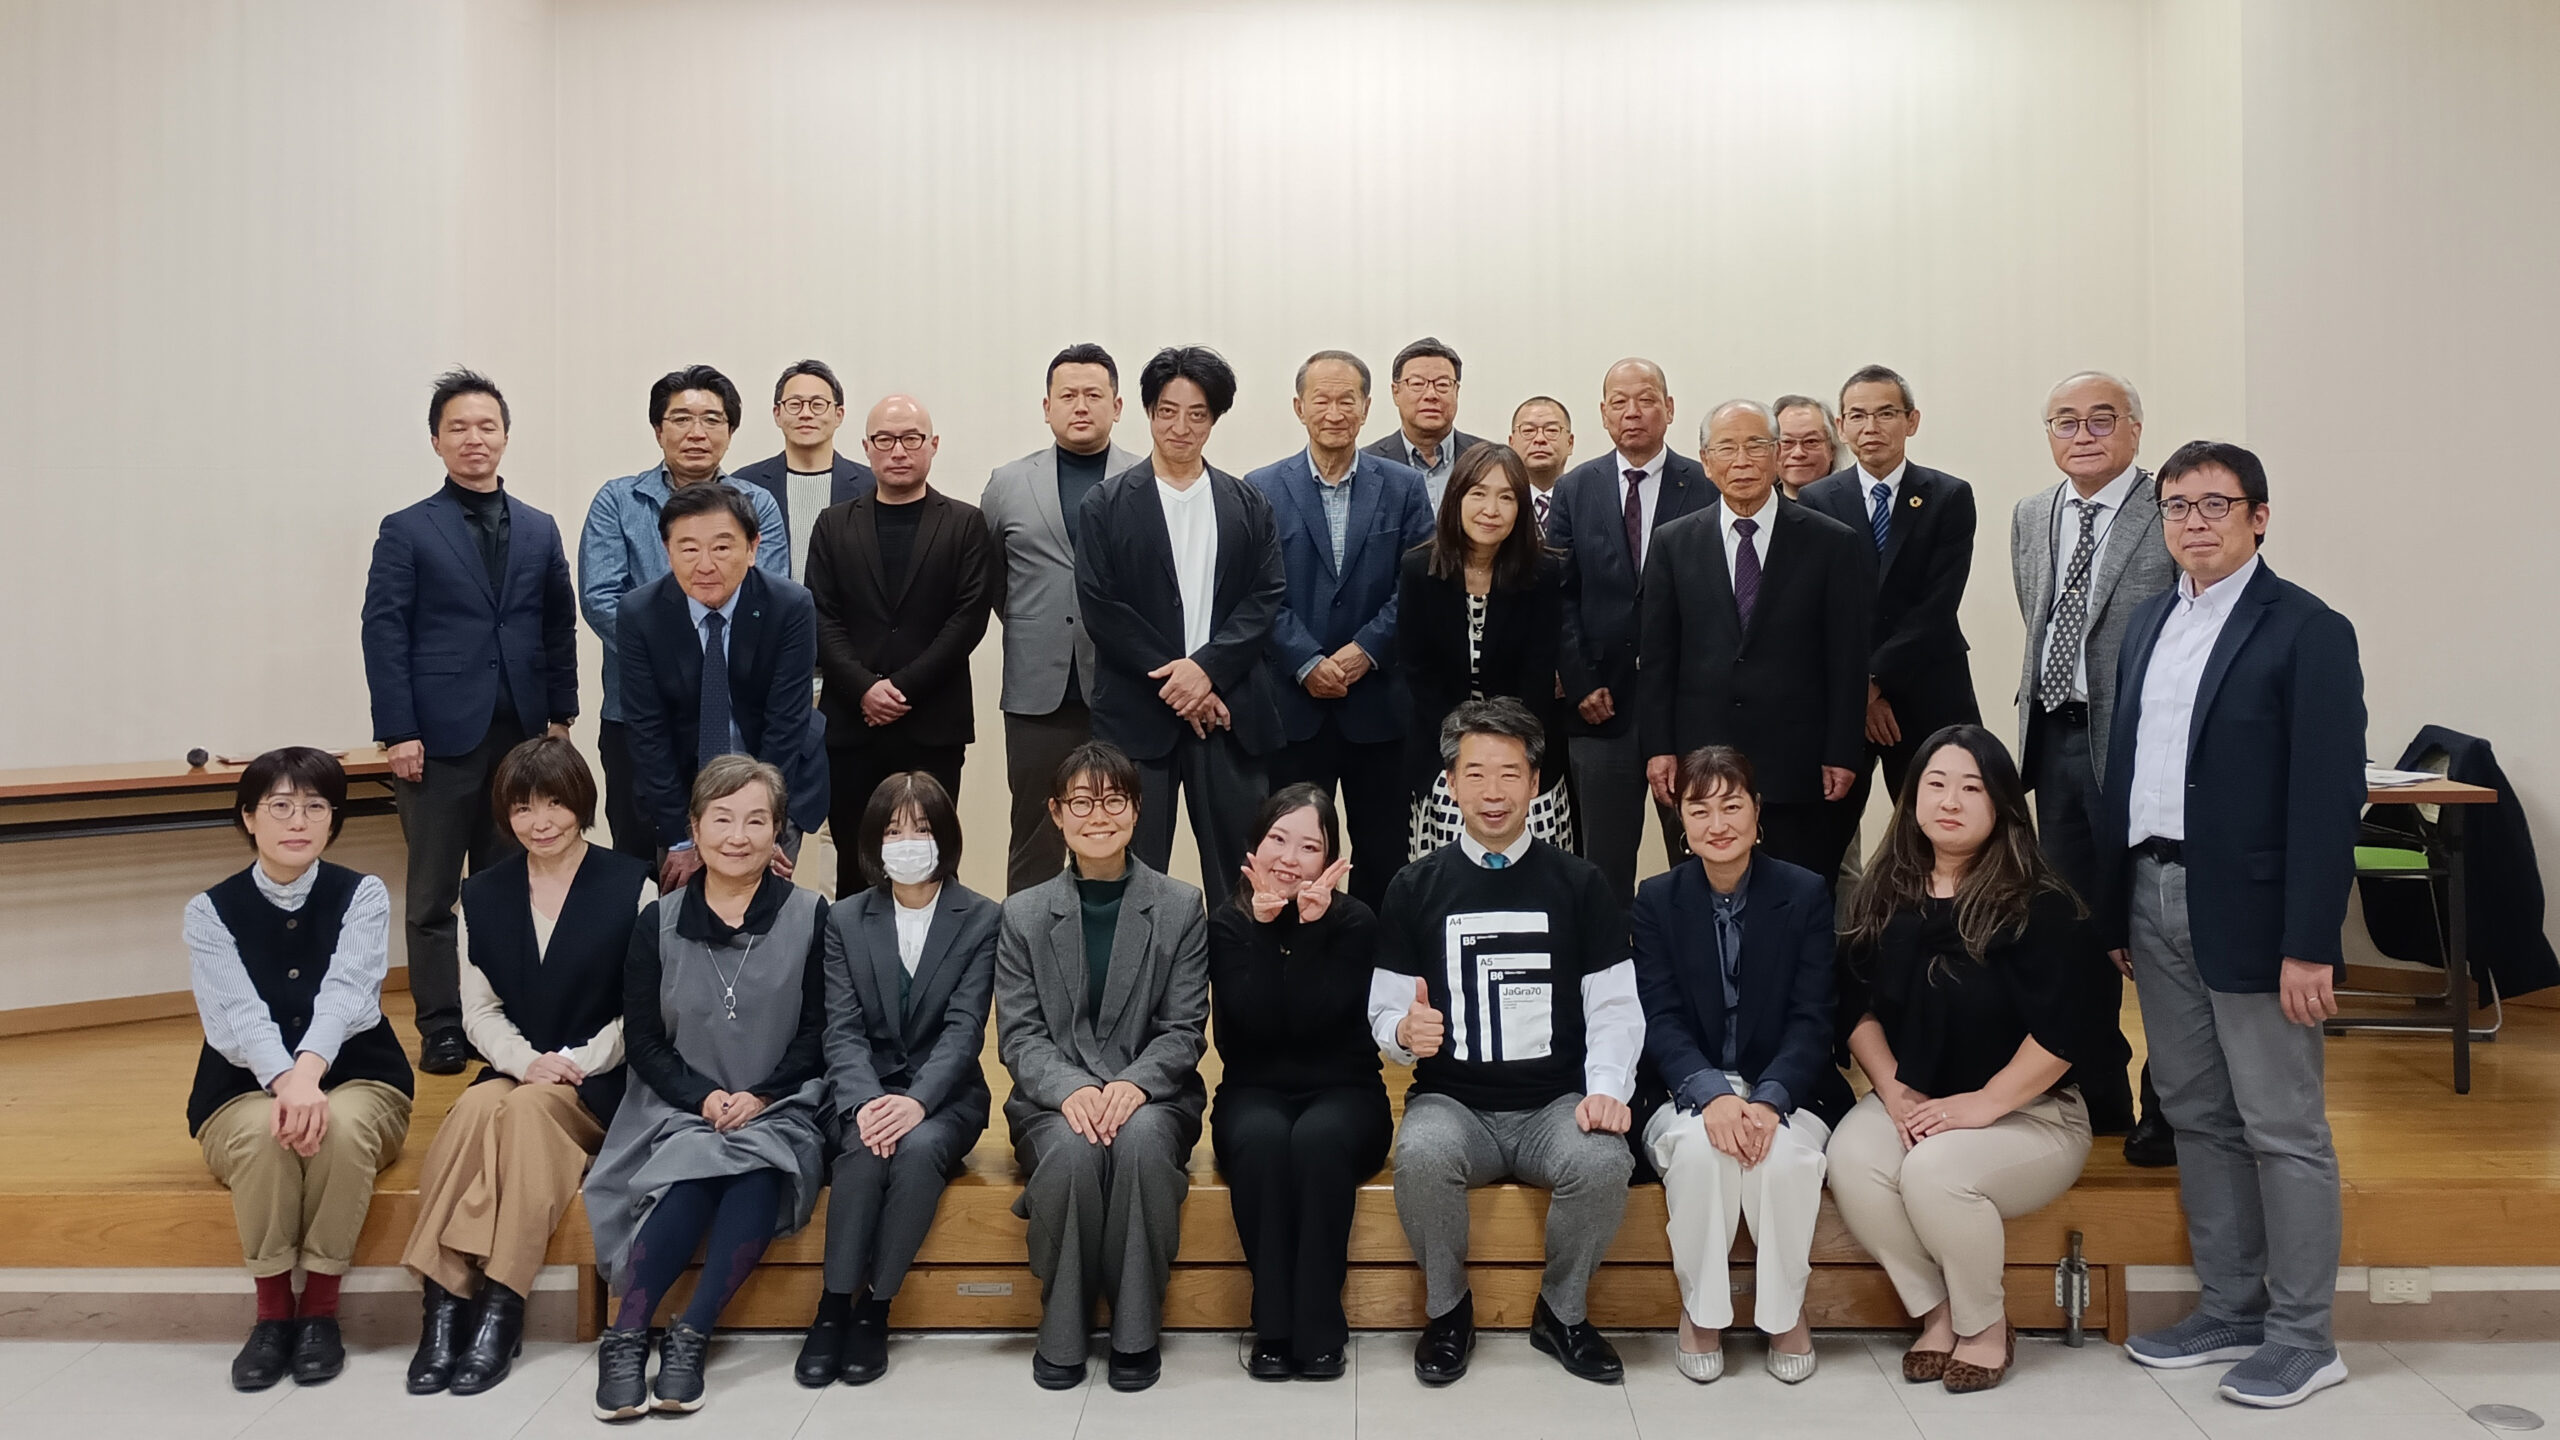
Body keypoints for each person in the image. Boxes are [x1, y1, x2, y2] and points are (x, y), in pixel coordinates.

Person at [2098, 441, 2366, 1409]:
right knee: (2197, 1116)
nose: (2193, 522)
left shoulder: (2307, 630)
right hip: (2153, 895)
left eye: (2215, 504)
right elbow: (2125, 769)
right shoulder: (2148, 622)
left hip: (2256, 914)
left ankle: (2303, 1336)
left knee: (2280, 1126)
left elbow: (2328, 798)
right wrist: (2116, 907)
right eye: (2176, 506)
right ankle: (2231, 1307)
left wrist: (2310, 942)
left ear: (2259, 517)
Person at [1827, 726, 2109, 1396]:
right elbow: (1855, 1007)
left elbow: (2067, 1029)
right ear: (1913, 796)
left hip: (2032, 1114)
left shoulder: (2040, 902)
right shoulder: (1885, 891)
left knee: (1934, 1171)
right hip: (1920, 1095)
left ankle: (1984, 1325)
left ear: (2002, 803)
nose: (1949, 801)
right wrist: (1892, 1090)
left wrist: (1982, 1105)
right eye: (1936, 784)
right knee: (1852, 1158)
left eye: (1971, 788)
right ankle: (1937, 1311)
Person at [1369, 698, 1641, 1386]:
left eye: (1510, 774)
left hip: (1554, 1104)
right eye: (1476, 774)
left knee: (1605, 1160)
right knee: (1421, 1154)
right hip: (1454, 1103)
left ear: (1535, 781)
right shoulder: (1414, 886)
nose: (1493, 792)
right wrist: (1403, 1032)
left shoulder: (1581, 884)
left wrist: (1607, 1089)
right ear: (1450, 784)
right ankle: (1447, 1311)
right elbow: (1387, 1009)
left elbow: (1614, 1006)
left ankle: (1562, 1312)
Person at [582, 756, 831, 1421]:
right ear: (694, 828)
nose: (737, 836)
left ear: (778, 832)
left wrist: (762, 1095)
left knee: (757, 1167)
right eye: (721, 819)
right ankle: (626, 1335)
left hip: (780, 1103)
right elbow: (644, 1040)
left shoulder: (811, 914)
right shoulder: (657, 922)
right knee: (693, 1169)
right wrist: (702, 1098)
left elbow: (819, 1029)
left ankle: (691, 1334)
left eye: (756, 821)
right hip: (676, 1106)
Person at [403, 736, 653, 1396]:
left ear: (581, 803)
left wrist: (567, 1064)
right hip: (518, 1072)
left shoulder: (633, 886)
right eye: (522, 808)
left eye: (554, 803)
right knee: (478, 1106)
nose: (540, 822)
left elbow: (642, 1013)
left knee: (523, 1110)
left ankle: (497, 1303)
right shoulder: (482, 894)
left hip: (599, 1082)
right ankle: (444, 1307)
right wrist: (523, 1061)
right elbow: (479, 1009)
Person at [362, 368, 579, 1075]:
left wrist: (560, 716)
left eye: (487, 426)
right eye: (458, 427)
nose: (473, 438)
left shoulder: (540, 528)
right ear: (436, 440)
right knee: (432, 894)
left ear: (506, 436)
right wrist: (398, 730)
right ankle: (442, 1026)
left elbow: (558, 625)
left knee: (508, 885)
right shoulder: (407, 529)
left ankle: (504, 1020)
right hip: (435, 740)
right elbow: (384, 631)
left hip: (521, 735)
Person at [184, 748, 414, 1392]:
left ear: (333, 818)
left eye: (316, 806)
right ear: (248, 817)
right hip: (239, 1089)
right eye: (280, 805)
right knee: (267, 1135)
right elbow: (237, 1015)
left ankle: (318, 1312)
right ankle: (271, 1316)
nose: (298, 820)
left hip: (363, 1078)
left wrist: (309, 1077)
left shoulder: (362, 894)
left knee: (339, 1125)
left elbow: (348, 994)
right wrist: (289, 1084)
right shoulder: (208, 911)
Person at [1631, 746, 1854, 1385]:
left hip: (1789, 1086)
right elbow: (1659, 1017)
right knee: (1702, 1156)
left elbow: (1814, 1017)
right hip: (1685, 1086)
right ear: (1681, 821)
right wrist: (1712, 1093)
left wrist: (1769, 1099)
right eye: (1699, 809)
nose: (1717, 823)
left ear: (1757, 812)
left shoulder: (1804, 893)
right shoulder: (1656, 899)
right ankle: (1702, 1313)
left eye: (1732, 806)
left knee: (1781, 1159)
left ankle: (1784, 1315)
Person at [996, 741, 1211, 1392]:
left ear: (1137, 810)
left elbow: (1183, 1029)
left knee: (1140, 1143)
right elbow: (1021, 1035)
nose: (1099, 816)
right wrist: (1070, 1090)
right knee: (1071, 1151)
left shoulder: (1180, 905)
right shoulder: (1024, 913)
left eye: (1114, 800)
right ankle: (1062, 1328)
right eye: (1082, 802)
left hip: (1154, 1095)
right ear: (1056, 813)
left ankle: (1136, 1331)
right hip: (1053, 1100)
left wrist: (1132, 1085)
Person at [2013, 371, 2176, 1154]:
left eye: (2101, 420)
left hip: (2140, 749)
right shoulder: (2031, 513)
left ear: (2135, 429)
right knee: (2073, 928)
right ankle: (2097, 1088)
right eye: (2065, 421)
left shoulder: (2166, 509)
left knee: (2149, 928)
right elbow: (2040, 619)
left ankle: (2167, 1104)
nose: (2083, 435)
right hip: (2054, 740)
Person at [797, 772, 1000, 1387]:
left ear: (946, 837)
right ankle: (832, 1307)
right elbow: (841, 1029)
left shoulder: (981, 917)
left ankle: (875, 1309)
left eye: (922, 828)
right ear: (873, 842)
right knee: (863, 1151)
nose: (908, 842)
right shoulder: (845, 918)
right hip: (862, 1090)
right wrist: (865, 1101)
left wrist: (916, 1103)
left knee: (915, 1151)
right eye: (893, 830)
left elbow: (964, 1030)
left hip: (945, 1098)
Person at [1075, 345, 1285, 912]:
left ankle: (1241, 973)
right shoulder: (1106, 503)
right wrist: (1184, 683)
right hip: (1137, 717)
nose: (1180, 427)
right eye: (1167, 411)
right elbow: (1102, 607)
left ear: (1214, 419)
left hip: (1229, 715)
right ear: (1148, 412)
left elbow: (1264, 597)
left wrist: (1207, 672)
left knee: (1242, 875)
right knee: (1130, 874)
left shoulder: (1248, 503)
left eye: (1197, 414)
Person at [1639, 401, 1869, 880]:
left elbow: (1847, 662)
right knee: (1703, 895)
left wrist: (1842, 752)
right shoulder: (1672, 543)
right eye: (1726, 448)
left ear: (1777, 453)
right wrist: (1659, 748)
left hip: (1798, 763)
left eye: (1756, 446)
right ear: (1706, 461)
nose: (1741, 461)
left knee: (1799, 896)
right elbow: (1659, 658)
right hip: (1701, 762)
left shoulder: (1832, 542)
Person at [1209, 785, 1390, 1382]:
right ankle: (1274, 1327)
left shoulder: (1356, 921)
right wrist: (1266, 932)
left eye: (1309, 846)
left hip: (1345, 1090)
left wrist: (1309, 930)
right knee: (1262, 1141)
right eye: (1278, 840)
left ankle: (1318, 1330)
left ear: (1330, 858)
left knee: (1318, 1140)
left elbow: (1319, 1027)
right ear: (1254, 848)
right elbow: (1250, 1033)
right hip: (1253, 1089)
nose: (1290, 859)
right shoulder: (1229, 923)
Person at [1246, 350, 1434, 910]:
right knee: (1290, 855)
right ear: (1299, 407)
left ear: (1367, 407)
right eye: (1321, 400)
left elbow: (1419, 583)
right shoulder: (1261, 488)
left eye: (1346, 400)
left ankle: (1376, 960)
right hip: (1293, 709)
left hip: (1379, 707)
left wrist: (1364, 651)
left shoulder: (1404, 487)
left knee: (1383, 853)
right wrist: (1306, 660)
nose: (1334, 412)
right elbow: (1256, 590)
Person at [581, 366, 789, 859]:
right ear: (658, 430)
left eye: (712, 419)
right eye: (681, 418)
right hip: (637, 714)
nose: (697, 432)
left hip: (736, 713)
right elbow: (601, 598)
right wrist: (684, 659)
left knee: (737, 849)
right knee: (642, 857)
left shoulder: (758, 504)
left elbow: (768, 602)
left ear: (731, 431)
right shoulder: (618, 500)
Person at [806, 394, 999, 897]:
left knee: (933, 861)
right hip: (852, 725)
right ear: (866, 447)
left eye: (911, 439)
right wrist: (864, 689)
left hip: (933, 723)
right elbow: (821, 617)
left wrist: (902, 688)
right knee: (855, 862)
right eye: (886, 439)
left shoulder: (964, 523)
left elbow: (968, 620)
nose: (898, 450)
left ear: (932, 445)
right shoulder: (833, 524)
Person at [1548, 358, 1715, 900]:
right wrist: (1580, 680)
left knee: (1700, 854)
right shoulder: (1576, 488)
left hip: (1689, 708)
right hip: (1601, 708)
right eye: (1619, 402)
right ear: (1603, 413)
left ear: (1669, 408)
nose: (1632, 412)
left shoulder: (1705, 485)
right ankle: (1608, 957)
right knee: (1603, 865)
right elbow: (1558, 593)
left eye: (1646, 399)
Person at [983, 344, 1146, 894]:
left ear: (1117, 406)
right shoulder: (1007, 483)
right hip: (1036, 689)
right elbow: (994, 580)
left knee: (1127, 828)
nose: (1081, 405)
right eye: (1068, 395)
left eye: (1094, 395)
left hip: (1126, 685)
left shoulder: (1146, 478)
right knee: (1036, 832)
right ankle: (1026, 948)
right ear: (1046, 406)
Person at [617, 481, 830, 894]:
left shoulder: (790, 605)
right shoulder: (640, 613)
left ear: (752, 548)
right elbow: (648, 731)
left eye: (721, 547)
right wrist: (681, 838)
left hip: (775, 778)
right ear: (667, 551)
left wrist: (764, 824)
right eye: (688, 549)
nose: (705, 564)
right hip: (681, 790)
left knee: (763, 908)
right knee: (687, 912)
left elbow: (786, 724)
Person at [1799, 365, 1982, 805]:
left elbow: (1938, 605)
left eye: (1885, 414)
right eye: (1857, 416)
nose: (1871, 427)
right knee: (1825, 827)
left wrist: (1874, 680)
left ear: (1911, 421)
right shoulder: (1816, 500)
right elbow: (1817, 606)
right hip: (1844, 700)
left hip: (1928, 688)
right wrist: (1858, 692)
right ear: (1841, 426)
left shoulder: (1948, 496)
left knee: (1939, 821)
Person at [1399, 444, 1574, 858]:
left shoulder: (1542, 572)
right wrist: (1465, 753)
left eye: (1506, 497)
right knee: (1447, 875)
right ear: (1456, 497)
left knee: (1536, 872)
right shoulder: (1419, 569)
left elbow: (1537, 676)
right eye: (1478, 493)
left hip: (1523, 747)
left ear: (1521, 508)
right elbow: (1418, 672)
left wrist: (1503, 754)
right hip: (1444, 750)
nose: (1491, 510)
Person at [728, 359, 877, 580]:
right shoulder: (744, 485)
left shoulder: (871, 485)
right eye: (795, 404)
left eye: (817, 404)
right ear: (777, 414)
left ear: (839, 415)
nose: (806, 414)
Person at [1362, 336, 1489, 509]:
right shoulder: (1367, 463)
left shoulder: (1488, 459)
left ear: (1456, 391)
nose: (1431, 395)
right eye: (1417, 383)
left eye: (1442, 384)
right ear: (1396, 392)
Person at [1507, 395, 1575, 538]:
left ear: (1570, 443)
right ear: (1511, 443)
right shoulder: (1502, 504)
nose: (1539, 439)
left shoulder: (1587, 502)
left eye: (1551, 430)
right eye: (1528, 431)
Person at [1771, 394, 1839, 501]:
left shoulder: (1855, 502)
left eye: (1811, 441)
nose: (1798, 453)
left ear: (1832, 449)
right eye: (1787, 441)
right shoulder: (1756, 505)